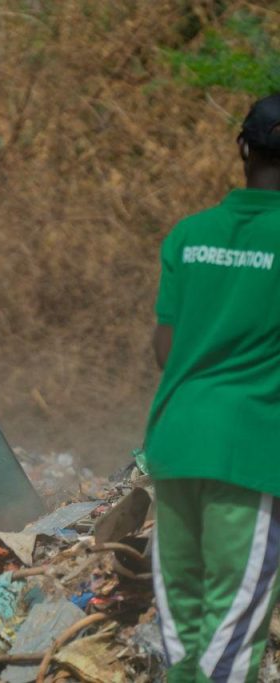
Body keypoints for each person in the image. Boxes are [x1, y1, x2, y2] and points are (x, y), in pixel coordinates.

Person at [147, 93, 280, 683]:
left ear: (244, 149)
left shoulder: (189, 234)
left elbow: (165, 349)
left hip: (175, 441)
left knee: (184, 629)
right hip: (248, 451)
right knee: (231, 633)